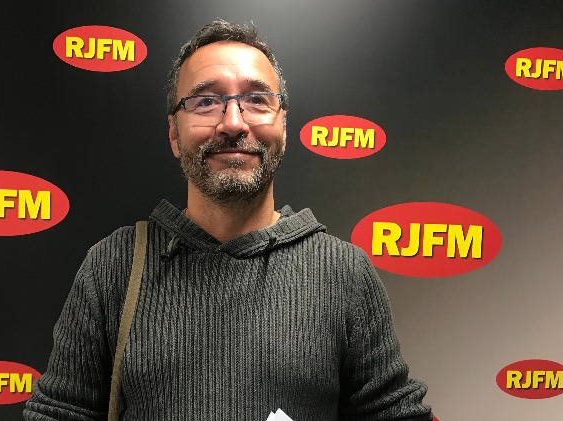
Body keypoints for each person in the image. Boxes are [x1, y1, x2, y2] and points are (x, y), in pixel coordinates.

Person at [24, 20, 433, 421]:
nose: (234, 123)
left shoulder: (344, 273)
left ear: (283, 125)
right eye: (205, 101)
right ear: (174, 134)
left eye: (257, 100)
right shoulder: (112, 267)